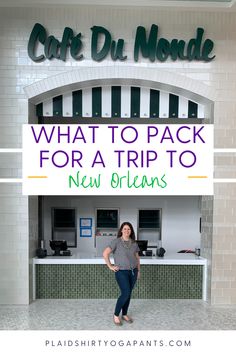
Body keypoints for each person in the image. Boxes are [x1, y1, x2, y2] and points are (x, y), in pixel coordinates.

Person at [103, 222, 140, 326]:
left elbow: (137, 258)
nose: (127, 231)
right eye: (125, 229)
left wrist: (138, 270)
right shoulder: (116, 242)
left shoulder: (134, 243)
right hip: (121, 272)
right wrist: (110, 266)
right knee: (125, 292)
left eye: (129, 229)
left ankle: (124, 314)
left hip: (133, 271)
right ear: (121, 230)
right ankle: (116, 315)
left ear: (131, 231)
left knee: (128, 294)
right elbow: (105, 253)